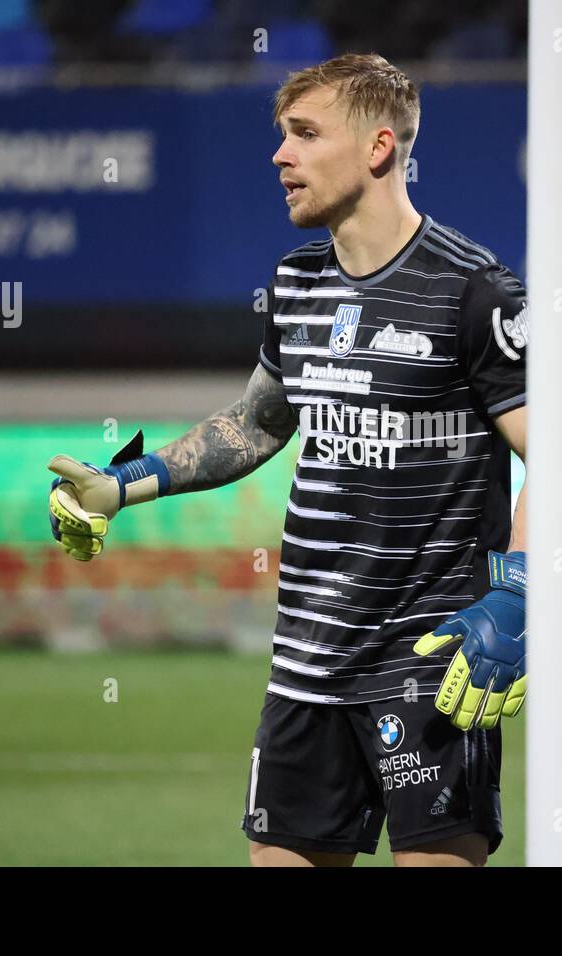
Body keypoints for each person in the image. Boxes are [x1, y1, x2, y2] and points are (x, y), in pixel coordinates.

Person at [46, 53, 530, 867]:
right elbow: (253, 424)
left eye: (305, 134)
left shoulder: (474, 290)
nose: (281, 156)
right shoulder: (296, 283)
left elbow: (560, 454)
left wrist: (520, 594)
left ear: (379, 148)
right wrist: (123, 483)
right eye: (282, 136)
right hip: (305, 669)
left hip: (430, 668)